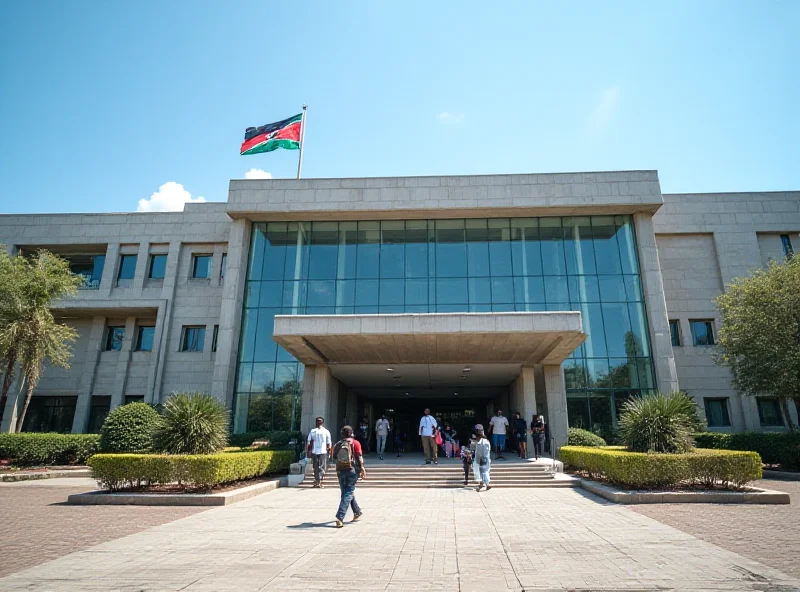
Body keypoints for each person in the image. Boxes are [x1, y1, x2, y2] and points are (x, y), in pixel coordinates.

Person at [332, 425, 366, 528]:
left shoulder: (338, 444)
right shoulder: (355, 443)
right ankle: (340, 517)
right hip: (352, 470)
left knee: (346, 492)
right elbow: (359, 457)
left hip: (341, 471)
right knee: (348, 493)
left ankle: (357, 512)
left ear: (342, 433)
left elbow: (334, 457)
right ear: (352, 433)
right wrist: (362, 468)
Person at [306, 416, 332, 488]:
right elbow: (309, 441)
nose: (318, 422)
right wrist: (308, 451)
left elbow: (328, 441)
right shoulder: (313, 431)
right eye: (317, 421)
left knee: (322, 466)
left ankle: (320, 481)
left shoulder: (326, 431)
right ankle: (317, 480)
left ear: (322, 422)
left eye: (320, 421)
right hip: (314, 451)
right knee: (315, 466)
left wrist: (329, 449)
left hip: (323, 451)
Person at [473, 425, 492, 491]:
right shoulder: (486, 441)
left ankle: (487, 484)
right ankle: (482, 484)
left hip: (481, 459)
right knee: (484, 471)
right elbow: (489, 450)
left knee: (483, 472)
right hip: (486, 458)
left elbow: (475, 450)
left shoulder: (478, 441)